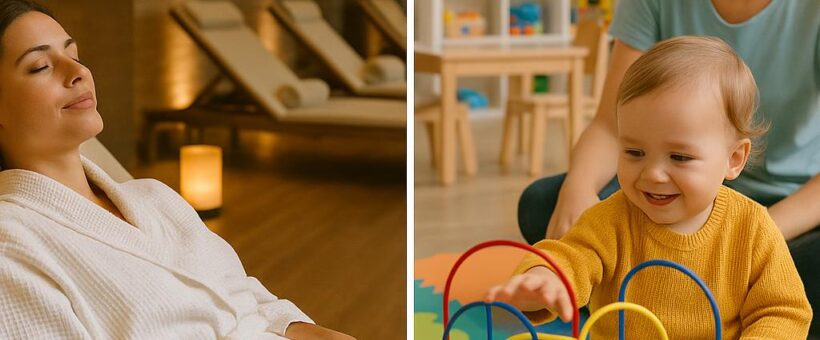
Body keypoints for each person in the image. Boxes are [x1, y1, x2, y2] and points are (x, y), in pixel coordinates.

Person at [0, 1, 352, 339]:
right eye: (40, 66)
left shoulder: (154, 196)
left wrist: (302, 328)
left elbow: (237, 288)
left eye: (75, 56)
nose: (79, 73)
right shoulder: (12, 243)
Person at [517, 0, 819, 335]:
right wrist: (543, 281)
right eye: (633, 152)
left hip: (797, 201)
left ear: (734, 159)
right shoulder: (612, 218)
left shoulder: (752, 229)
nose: (652, 174)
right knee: (543, 203)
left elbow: (783, 310)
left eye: (679, 157)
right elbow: (571, 254)